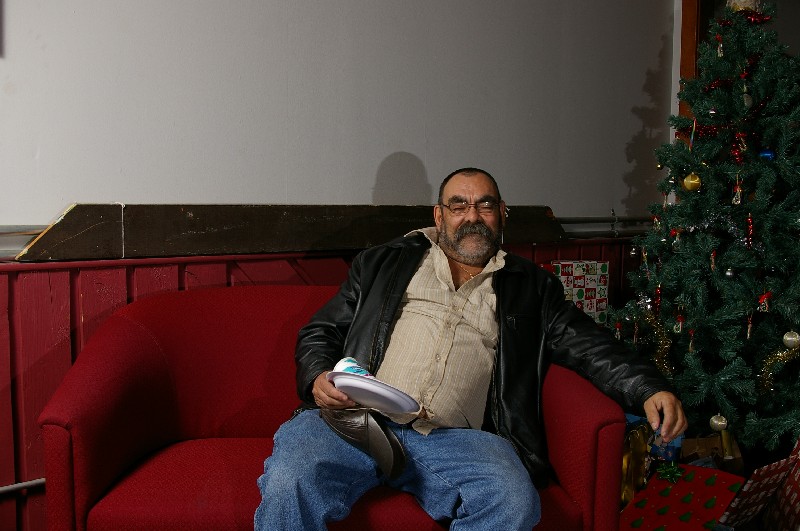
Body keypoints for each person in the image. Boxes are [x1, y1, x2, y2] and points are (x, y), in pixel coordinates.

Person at [255, 167, 687, 530]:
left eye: (485, 205)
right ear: (439, 215)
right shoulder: (383, 262)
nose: (472, 216)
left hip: (454, 439)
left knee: (514, 501)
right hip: (356, 418)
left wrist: (649, 388)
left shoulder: (532, 288)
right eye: (459, 205)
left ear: (502, 213)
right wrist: (318, 377)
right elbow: (321, 331)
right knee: (291, 477)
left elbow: (590, 345)